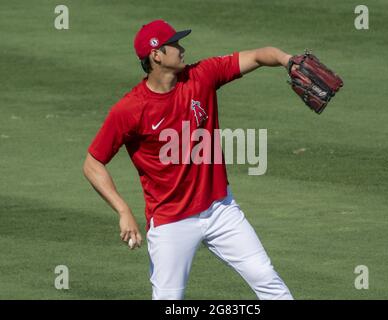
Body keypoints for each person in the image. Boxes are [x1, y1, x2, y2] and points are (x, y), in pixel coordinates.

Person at [83, 19, 294, 300]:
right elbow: (92, 163)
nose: (182, 49)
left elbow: (257, 55)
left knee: (268, 280)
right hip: (171, 222)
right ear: (156, 55)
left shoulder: (201, 75)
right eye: (175, 44)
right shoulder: (131, 109)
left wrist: (286, 59)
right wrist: (123, 210)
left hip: (220, 209)